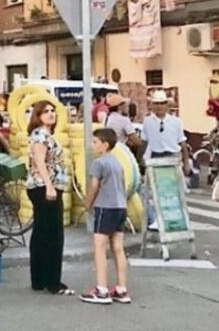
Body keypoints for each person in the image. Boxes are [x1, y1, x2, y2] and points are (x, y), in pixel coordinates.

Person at [26, 100, 73, 295]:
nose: (51, 114)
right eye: (46, 111)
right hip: (45, 187)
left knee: (41, 233)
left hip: (44, 186)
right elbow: (39, 161)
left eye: (53, 111)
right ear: (38, 115)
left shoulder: (45, 135)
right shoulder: (40, 135)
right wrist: (49, 186)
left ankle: (39, 279)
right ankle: (52, 281)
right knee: (53, 234)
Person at [80, 129, 132, 305]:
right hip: (120, 206)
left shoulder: (99, 163)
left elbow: (94, 186)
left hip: (105, 207)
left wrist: (88, 203)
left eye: (95, 142)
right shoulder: (117, 163)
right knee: (118, 247)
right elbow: (123, 185)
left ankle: (101, 289)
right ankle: (121, 289)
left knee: (99, 247)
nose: (92, 145)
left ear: (105, 144)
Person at [143, 90, 185, 162]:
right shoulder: (147, 121)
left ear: (166, 105)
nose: (159, 106)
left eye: (162, 103)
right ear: (153, 105)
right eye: (157, 104)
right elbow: (144, 141)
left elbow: (182, 142)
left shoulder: (176, 121)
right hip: (155, 156)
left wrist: (186, 161)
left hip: (173, 156)